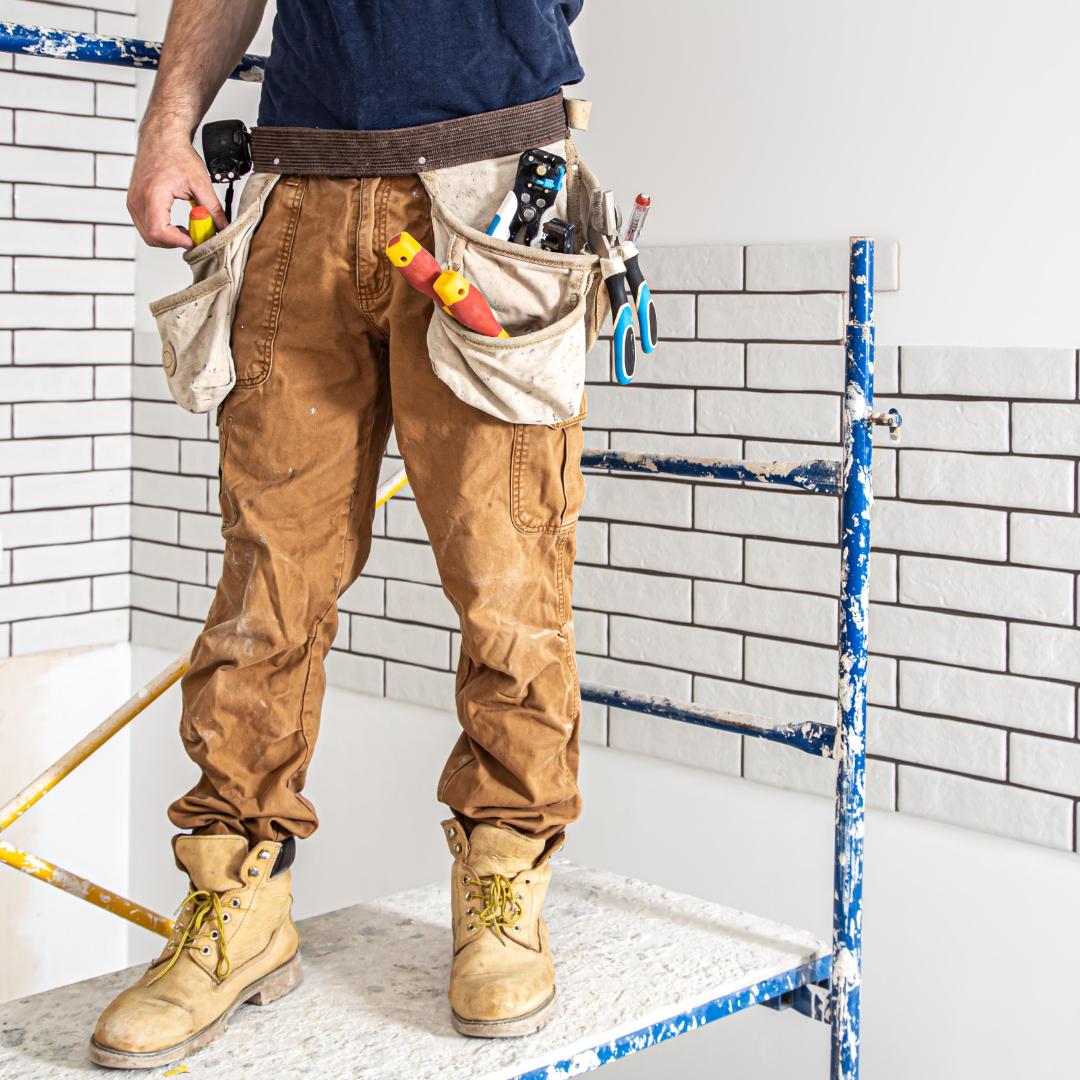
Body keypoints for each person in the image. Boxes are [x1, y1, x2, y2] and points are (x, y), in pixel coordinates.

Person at [90, 0, 597, 1068]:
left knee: (507, 576)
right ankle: (239, 905)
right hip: (299, 190)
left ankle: (503, 883)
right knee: (266, 582)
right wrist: (167, 126)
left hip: (489, 186)